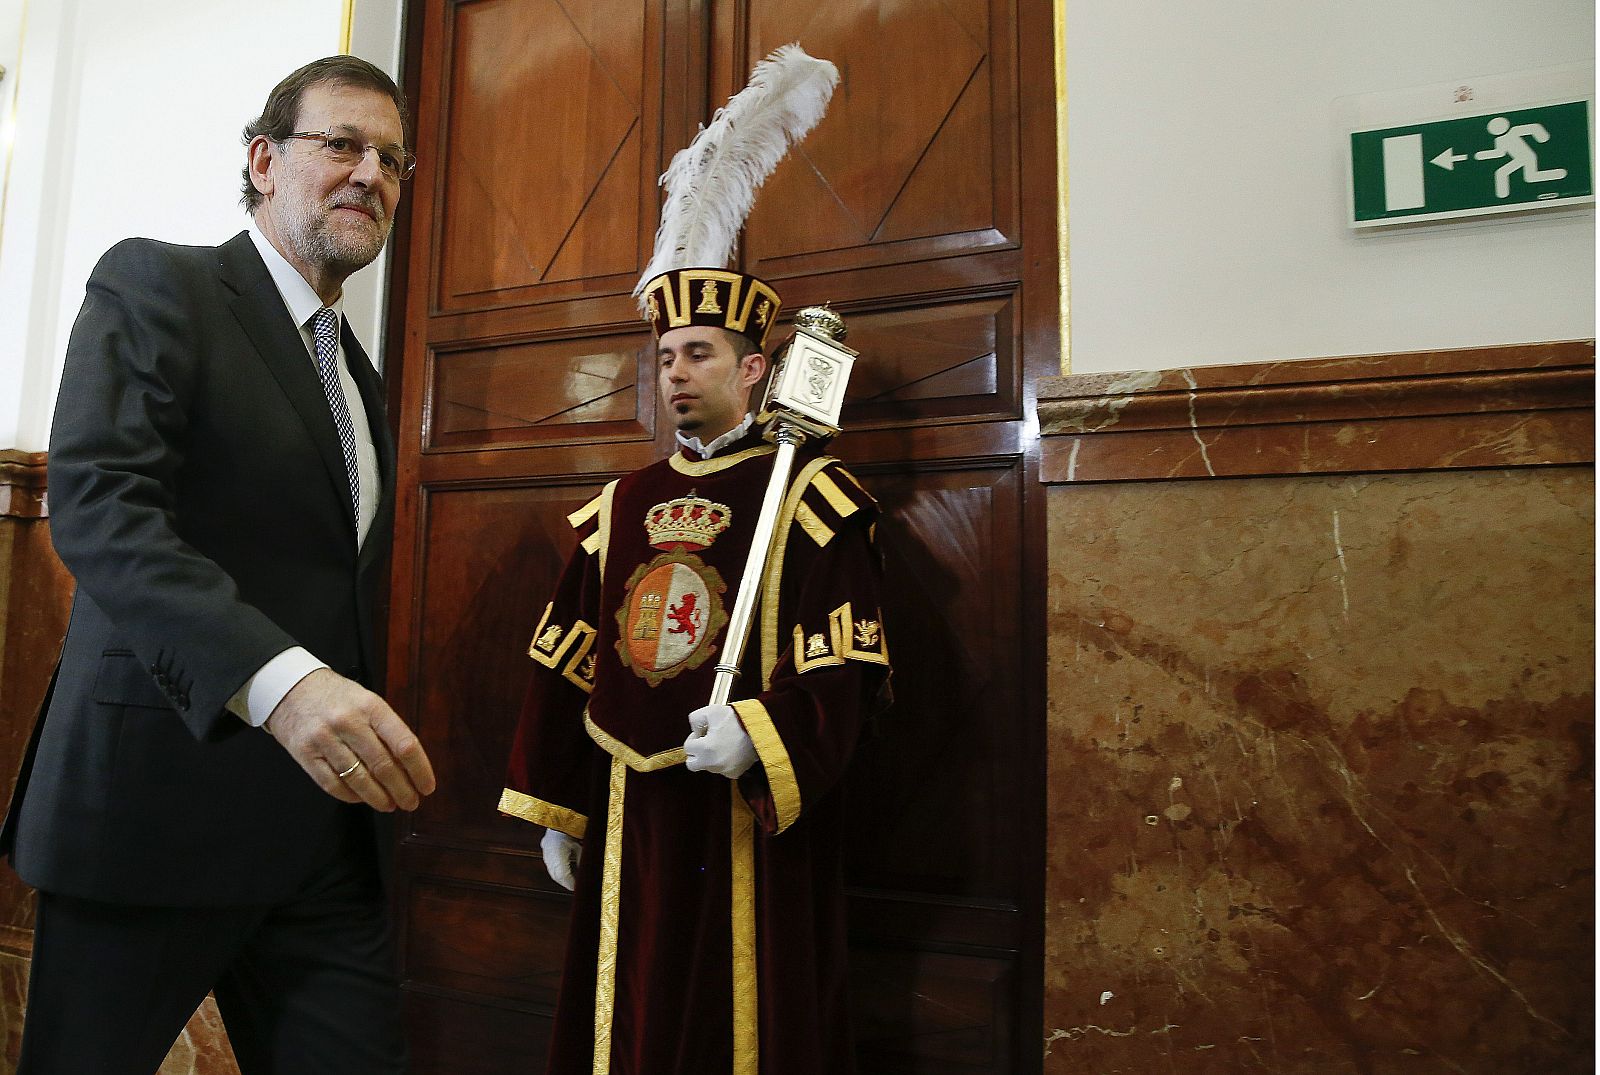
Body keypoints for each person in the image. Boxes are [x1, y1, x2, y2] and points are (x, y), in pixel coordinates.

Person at [0, 56, 436, 1074]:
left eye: (392, 158)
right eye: (342, 144)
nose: (370, 172)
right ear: (262, 159)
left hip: (321, 847)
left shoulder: (362, 381)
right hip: (151, 817)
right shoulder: (162, 283)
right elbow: (105, 508)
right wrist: (284, 684)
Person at [499, 267, 892, 1074]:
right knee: (630, 1009)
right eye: (667, 354)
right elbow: (565, 657)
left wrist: (763, 730)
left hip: (747, 817)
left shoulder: (811, 498)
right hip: (628, 814)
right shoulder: (620, 504)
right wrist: (557, 806)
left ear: (754, 370)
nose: (674, 371)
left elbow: (845, 660)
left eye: (699, 354)